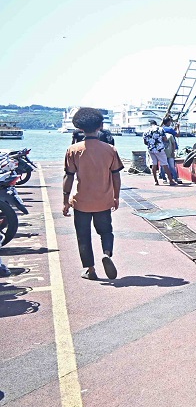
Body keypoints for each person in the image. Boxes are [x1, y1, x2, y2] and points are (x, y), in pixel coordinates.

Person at [63, 107, 124, 280]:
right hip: (104, 200)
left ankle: (90, 269)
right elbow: (116, 176)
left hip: (81, 201)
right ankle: (106, 253)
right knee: (106, 231)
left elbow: (68, 177)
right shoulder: (110, 150)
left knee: (83, 236)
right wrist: (116, 196)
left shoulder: (73, 150)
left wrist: (65, 200)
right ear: (100, 126)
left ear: (80, 127)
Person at [142, 120, 176, 186]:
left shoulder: (146, 130)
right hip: (159, 149)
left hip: (151, 149)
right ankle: (171, 180)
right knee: (165, 164)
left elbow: (145, 142)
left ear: (150, 124)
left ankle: (156, 181)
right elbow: (165, 139)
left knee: (154, 164)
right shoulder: (160, 129)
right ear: (156, 124)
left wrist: (151, 143)